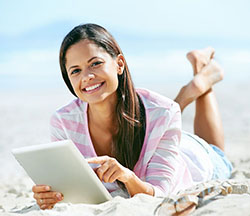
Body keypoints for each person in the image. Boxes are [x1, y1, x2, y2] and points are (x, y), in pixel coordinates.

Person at [32, 23, 232, 210]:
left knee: (218, 153)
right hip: (159, 134)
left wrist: (128, 178)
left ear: (119, 64)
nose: (87, 76)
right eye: (75, 70)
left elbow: (159, 196)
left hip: (192, 159)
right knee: (162, 113)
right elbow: (73, 189)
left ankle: (202, 81)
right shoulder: (63, 122)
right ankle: (192, 89)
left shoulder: (164, 112)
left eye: (95, 63)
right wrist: (52, 196)